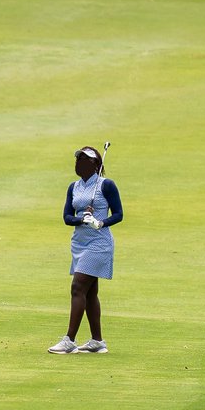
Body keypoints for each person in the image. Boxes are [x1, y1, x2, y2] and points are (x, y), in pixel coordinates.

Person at [49, 145, 123, 354]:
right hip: (79, 243)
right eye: (78, 160)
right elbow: (66, 218)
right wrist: (82, 218)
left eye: (85, 160)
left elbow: (118, 214)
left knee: (77, 287)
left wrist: (100, 222)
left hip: (99, 244)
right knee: (90, 293)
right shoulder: (74, 187)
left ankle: (69, 341)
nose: (80, 163)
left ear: (96, 165)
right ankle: (97, 341)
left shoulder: (106, 185)